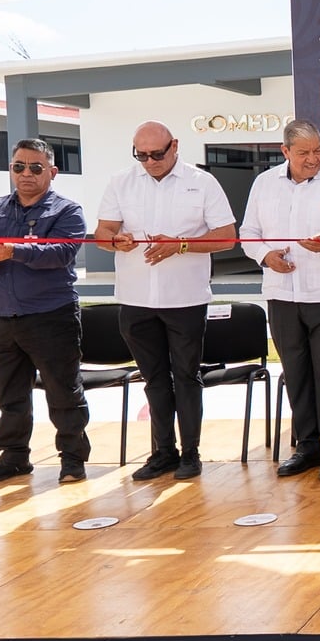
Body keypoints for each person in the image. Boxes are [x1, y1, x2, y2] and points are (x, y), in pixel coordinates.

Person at [94, 121, 237, 482]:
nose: (150, 162)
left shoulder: (202, 182)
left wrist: (182, 245)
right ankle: (163, 452)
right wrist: (115, 240)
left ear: (175, 146)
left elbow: (226, 238)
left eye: (157, 154)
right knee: (154, 379)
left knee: (186, 377)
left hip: (185, 298)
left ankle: (191, 453)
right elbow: (102, 232)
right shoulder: (121, 181)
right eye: (141, 155)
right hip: (135, 298)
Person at [241, 120, 320, 480]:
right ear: (285, 152)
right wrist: (265, 256)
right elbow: (248, 233)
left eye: (318, 150)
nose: (313, 159)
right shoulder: (264, 184)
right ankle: (307, 447)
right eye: (304, 153)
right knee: (296, 373)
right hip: (282, 295)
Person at [0, 138, 91, 485]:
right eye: (19, 167)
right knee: (8, 393)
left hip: (51, 316)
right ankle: (14, 457)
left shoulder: (66, 211)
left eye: (36, 167)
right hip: (3, 318)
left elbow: (61, 253)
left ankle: (72, 458)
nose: (26, 174)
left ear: (52, 171)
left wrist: (14, 252)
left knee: (63, 391)